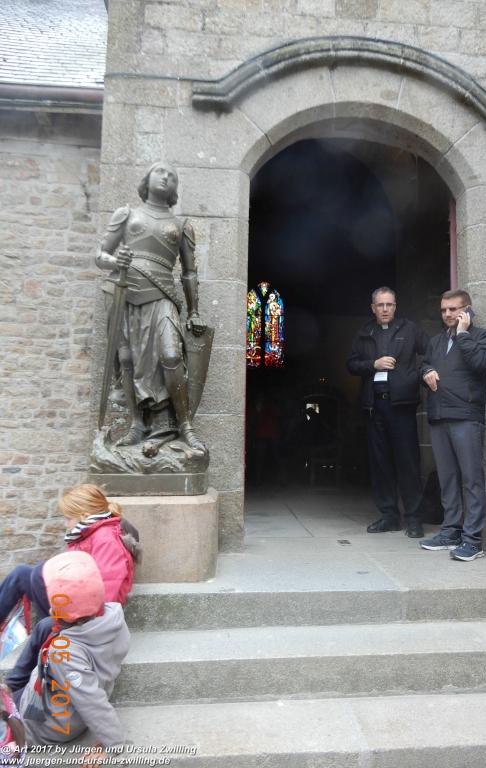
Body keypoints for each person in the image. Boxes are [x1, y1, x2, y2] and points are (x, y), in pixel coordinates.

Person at [96, 161, 206, 450]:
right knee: (127, 360)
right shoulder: (126, 214)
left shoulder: (181, 226)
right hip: (125, 290)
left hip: (163, 294)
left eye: (172, 175)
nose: (166, 177)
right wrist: (114, 261)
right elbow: (100, 255)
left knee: (171, 356)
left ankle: (185, 426)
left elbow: (189, 272)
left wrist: (194, 311)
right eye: (160, 172)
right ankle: (136, 424)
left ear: (175, 188)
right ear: (147, 180)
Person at [14, 551, 130, 762]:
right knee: (45, 626)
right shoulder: (114, 617)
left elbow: (91, 700)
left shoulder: (65, 653)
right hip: (56, 702)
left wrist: (112, 743)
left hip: (47, 725)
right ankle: (13, 687)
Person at [347, 287, 429, 538]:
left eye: (389, 305)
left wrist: (419, 374)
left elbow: (432, 352)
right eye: (380, 305)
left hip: (401, 405)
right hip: (374, 405)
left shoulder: (410, 329)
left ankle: (414, 519)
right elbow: (351, 364)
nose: (385, 309)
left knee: (408, 463)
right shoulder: (365, 332)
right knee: (380, 464)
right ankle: (389, 516)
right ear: (373, 308)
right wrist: (373, 364)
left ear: (395, 306)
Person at [419, 289, 486, 561]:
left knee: (472, 480)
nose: (448, 314)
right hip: (439, 415)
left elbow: (479, 363)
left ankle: (473, 540)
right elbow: (425, 364)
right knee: (447, 478)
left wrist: (463, 334)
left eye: (454, 309)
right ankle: (451, 531)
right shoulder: (437, 341)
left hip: (466, 416)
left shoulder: (482, 337)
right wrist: (425, 371)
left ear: (467, 310)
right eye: (444, 310)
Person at [0, 484, 139, 629]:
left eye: (68, 518)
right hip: (74, 599)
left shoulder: (106, 539)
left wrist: (86, 624)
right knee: (21, 573)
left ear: (84, 516)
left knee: (38, 573)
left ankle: (53, 631)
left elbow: (107, 590)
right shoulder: (87, 534)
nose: (66, 524)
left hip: (86, 616)